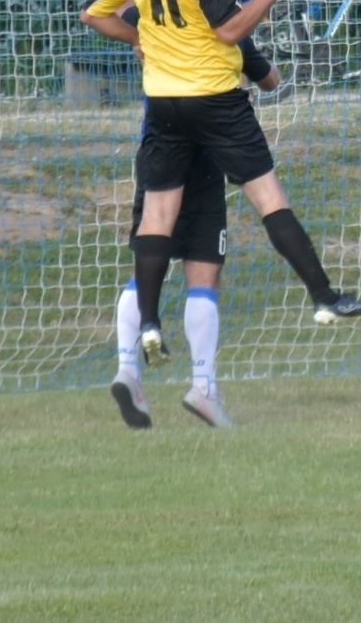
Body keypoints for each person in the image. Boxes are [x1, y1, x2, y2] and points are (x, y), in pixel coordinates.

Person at [81, 0, 361, 372]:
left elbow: (93, 14)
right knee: (269, 198)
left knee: (157, 214)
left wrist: (138, 38)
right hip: (216, 102)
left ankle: (150, 323)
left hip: (164, 105)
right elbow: (229, 31)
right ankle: (325, 297)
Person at [109, 27, 282, 431]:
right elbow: (271, 80)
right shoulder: (225, 28)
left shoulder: (155, 19)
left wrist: (138, 40)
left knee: (148, 262)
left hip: (157, 149)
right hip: (204, 156)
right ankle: (203, 386)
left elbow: (107, 12)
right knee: (204, 271)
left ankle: (128, 369)